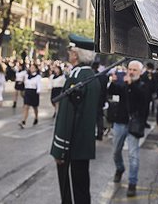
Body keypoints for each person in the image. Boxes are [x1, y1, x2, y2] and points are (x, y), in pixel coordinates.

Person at [50, 34, 100, 204]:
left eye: (71, 50)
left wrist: (59, 149)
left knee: (67, 191)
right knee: (81, 188)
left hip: (71, 143)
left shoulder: (75, 77)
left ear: (76, 54)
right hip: (84, 142)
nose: (69, 53)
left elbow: (65, 116)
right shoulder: (92, 76)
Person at [107, 60, 150, 197]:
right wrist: (113, 82)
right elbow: (113, 91)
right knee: (115, 151)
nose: (131, 72)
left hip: (134, 124)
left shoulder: (144, 84)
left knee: (133, 155)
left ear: (140, 72)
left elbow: (144, 99)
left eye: (134, 70)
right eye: (129, 69)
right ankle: (120, 168)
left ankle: (132, 183)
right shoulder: (124, 83)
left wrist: (132, 86)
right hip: (120, 122)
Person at [18, 64, 42, 128]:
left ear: (36, 69)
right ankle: (23, 121)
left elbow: (39, 85)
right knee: (26, 106)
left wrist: (38, 91)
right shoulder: (26, 75)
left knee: (35, 107)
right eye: (31, 67)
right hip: (27, 92)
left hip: (34, 92)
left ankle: (36, 117)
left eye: (33, 68)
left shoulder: (38, 76)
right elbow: (24, 82)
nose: (32, 69)